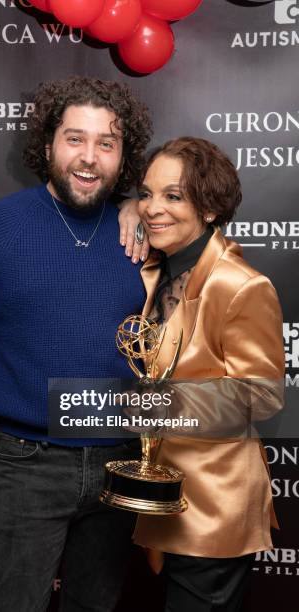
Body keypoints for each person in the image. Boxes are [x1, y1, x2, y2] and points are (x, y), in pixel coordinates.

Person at [0, 76, 152, 612]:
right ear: (47, 145)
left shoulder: (146, 233)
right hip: (28, 466)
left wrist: (139, 208)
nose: (89, 157)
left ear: (123, 157)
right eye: (74, 138)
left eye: (106, 143)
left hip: (122, 464)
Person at [132, 137, 285, 611]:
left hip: (212, 504)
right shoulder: (152, 272)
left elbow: (262, 396)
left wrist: (156, 404)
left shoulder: (240, 286)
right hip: (156, 497)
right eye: (146, 193)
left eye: (173, 196)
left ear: (212, 209)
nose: (152, 209)